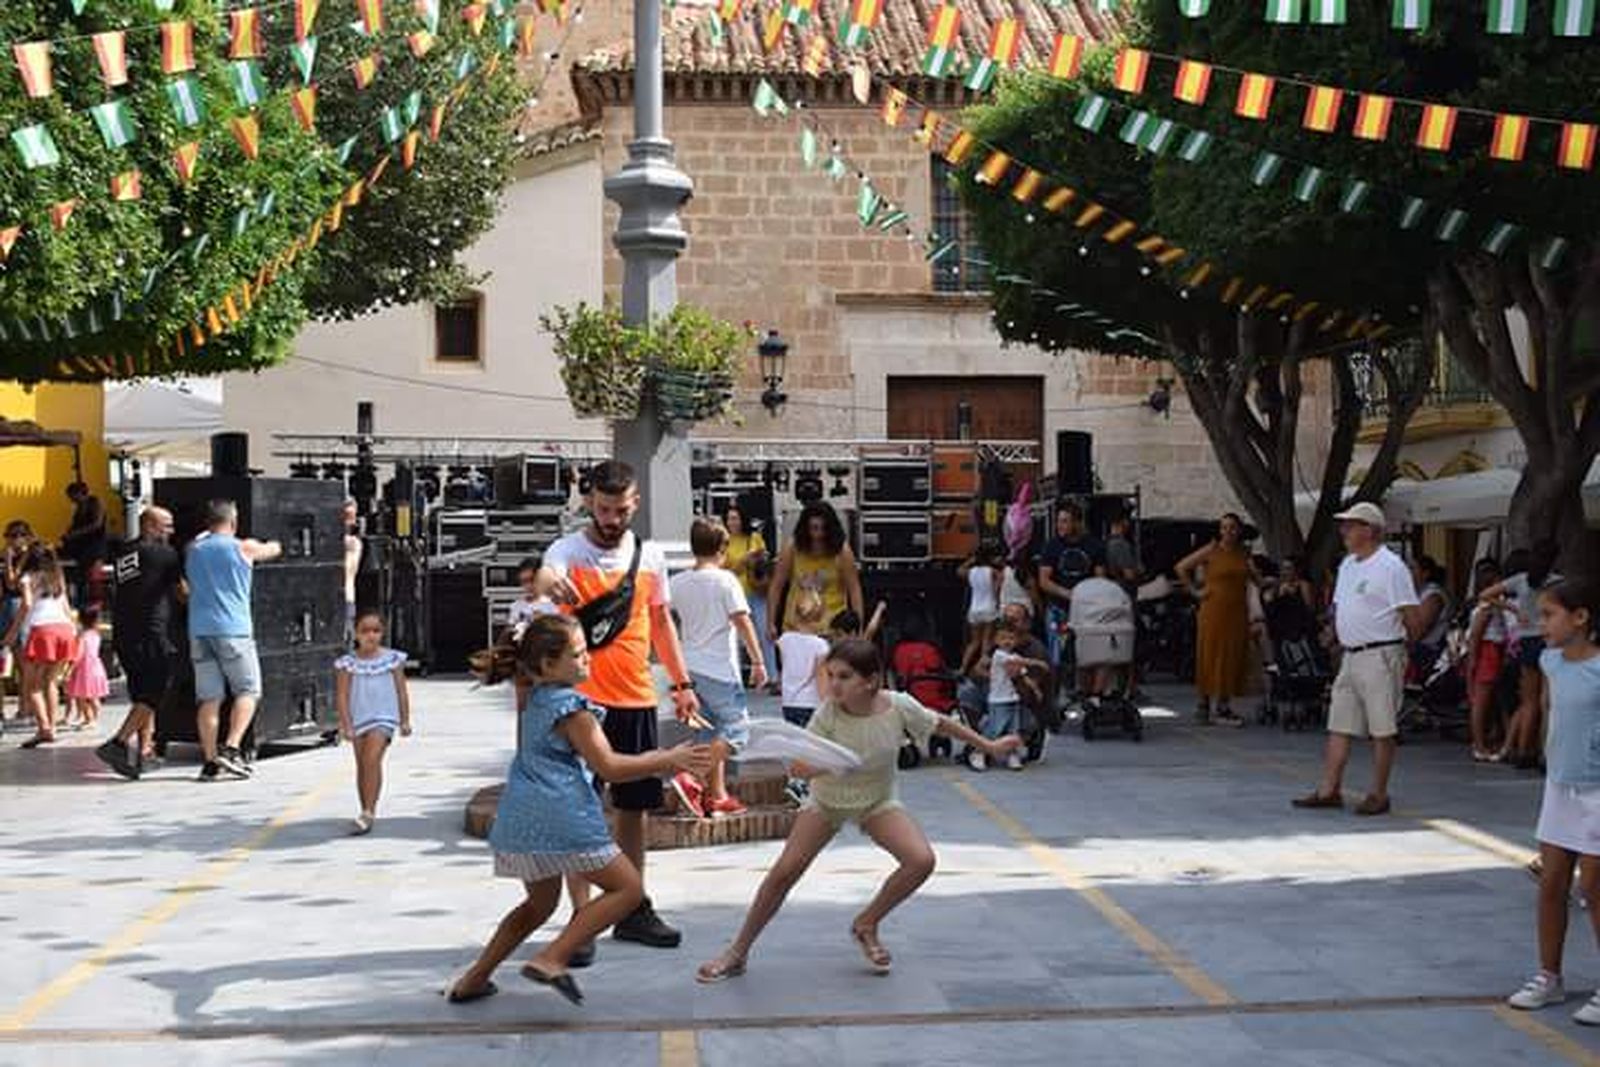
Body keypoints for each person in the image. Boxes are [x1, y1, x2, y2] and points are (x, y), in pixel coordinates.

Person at [696, 638, 1022, 984]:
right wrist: (831, 765)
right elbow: (798, 768)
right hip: (827, 803)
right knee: (783, 873)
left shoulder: (898, 706)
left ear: (870, 681)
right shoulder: (828, 714)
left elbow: (941, 723)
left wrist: (988, 745)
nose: (833, 684)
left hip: (877, 802)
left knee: (921, 861)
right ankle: (737, 952)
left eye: (844, 676)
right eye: (831, 674)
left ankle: (866, 923)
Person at [448, 615, 713, 1006]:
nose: (588, 660)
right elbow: (610, 767)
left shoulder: (532, 694)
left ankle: (474, 978)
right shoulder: (574, 710)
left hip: (522, 815)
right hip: (564, 815)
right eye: (578, 655)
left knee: (537, 906)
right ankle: (553, 957)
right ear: (547, 665)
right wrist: (667, 758)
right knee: (628, 889)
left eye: (586, 651)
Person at [536, 460, 700, 949]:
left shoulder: (649, 556)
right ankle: (582, 918)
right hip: (578, 700)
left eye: (620, 510)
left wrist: (682, 681)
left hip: (635, 696)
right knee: (580, 807)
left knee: (635, 809)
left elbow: (662, 622)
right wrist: (549, 584)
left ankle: (633, 907)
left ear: (635, 505)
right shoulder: (567, 550)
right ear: (590, 502)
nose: (611, 519)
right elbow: (546, 576)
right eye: (603, 509)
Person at [1504, 579, 1600, 1026]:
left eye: (1549, 615)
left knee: (1594, 888)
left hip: (1598, 790)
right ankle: (1550, 975)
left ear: (1580, 618)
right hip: (1560, 788)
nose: (1540, 623)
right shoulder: (1550, 661)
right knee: (1552, 885)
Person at [1293, 503, 1421, 817]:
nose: (1344, 531)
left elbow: (1412, 617)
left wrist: (1402, 650)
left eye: (1350, 525)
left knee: (1382, 727)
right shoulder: (1349, 564)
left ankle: (1378, 792)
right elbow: (1341, 606)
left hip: (1380, 653)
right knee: (1340, 723)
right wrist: (1335, 636)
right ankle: (1330, 789)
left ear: (1369, 529)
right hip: (1352, 655)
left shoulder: (1391, 567)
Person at [667, 517, 769, 819]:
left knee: (707, 735)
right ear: (723, 548)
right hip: (720, 670)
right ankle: (691, 778)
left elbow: (668, 621)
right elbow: (742, 619)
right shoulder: (726, 581)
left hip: (688, 670)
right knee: (738, 732)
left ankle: (716, 796)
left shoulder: (678, 582)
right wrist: (759, 660)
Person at [187, 499, 283, 781]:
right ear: (233, 521)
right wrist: (274, 541)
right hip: (233, 629)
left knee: (209, 699)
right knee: (248, 690)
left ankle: (209, 761)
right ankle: (231, 748)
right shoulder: (244, 547)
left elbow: (197, 543)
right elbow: (274, 550)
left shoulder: (194, 549)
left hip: (199, 630)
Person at [96, 507, 184, 780]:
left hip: (125, 632)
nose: (171, 531)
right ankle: (119, 743)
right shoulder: (164, 554)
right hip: (151, 630)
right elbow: (182, 591)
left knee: (141, 693)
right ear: (150, 526)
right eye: (166, 526)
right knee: (157, 688)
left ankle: (144, 751)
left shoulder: (125, 550)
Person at [1482, 542, 1562, 770]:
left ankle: (1524, 750)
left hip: (1526, 641)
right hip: (1549, 640)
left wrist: (1513, 610)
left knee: (1528, 701)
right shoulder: (1557, 582)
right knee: (1547, 700)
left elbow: (1485, 594)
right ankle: (1545, 753)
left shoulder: (1521, 580)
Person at [335, 610, 412, 834]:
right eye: (365, 631)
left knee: (371, 759)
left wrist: (404, 719)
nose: (371, 636)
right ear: (356, 634)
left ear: (382, 633)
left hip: (383, 717)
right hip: (358, 718)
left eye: (376, 631)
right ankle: (365, 808)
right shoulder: (347, 663)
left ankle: (369, 811)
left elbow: (401, 690)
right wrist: (346, 724)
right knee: (363, 765)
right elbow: (342, 695)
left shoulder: (392, 659)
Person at [1176, 513, 1255, 727]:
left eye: (1232, 528)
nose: (1228, 532)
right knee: (1210, 653)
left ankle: (1223, 705)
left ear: (1239, 530)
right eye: (1224, 527)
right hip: (1213, 610)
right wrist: (1195, 591)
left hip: (1237, 611)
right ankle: (1203, 704)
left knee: (1231, 655)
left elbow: (1254, 577)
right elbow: (1181, 567)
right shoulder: (1211, 550)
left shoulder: (1244, 553)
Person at [5, 550, 75, 748]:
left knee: (31, 686)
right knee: (51, 683)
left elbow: (26, 604)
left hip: (41, 631)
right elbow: (67, 610)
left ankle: (44, 728)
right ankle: (51, 727)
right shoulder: (58, 579)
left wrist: (12, 632)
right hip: (64, 630)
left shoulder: (28, 577)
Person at [768, 502, 863, 644]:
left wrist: (858, 628)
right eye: (814, 528)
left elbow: (854, 590)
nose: (818, 534)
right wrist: (770, 622)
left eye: (823, 529)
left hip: (832, 630)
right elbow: (776, 586)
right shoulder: (792, 547)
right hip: (796, 628)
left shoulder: (842, 551)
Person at [1036, 501, 1105, 692]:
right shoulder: (1052, 546)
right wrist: (1067, 593)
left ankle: (1086, 693)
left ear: (1077, 523)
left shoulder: (1094, 546)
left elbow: (1101, 578)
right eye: (1059, 521)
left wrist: (1089, 596)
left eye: (1065, 521)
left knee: (1086, 656)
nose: (1060, 525)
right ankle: (1055, 697)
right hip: (1059, 610)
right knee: (1056, 657)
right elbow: (1043, 580)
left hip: (1086, 611)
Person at [970, 619, 1049, 773]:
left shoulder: (1013, 656)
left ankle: (1012, 754)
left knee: (1013, 730)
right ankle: (978, 751)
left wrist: (1035, 689)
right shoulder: (999, 655)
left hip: (1012, 699)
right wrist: (1038, 663)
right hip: (998, 700)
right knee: (994, 729)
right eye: (1003, 638)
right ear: (996, 640)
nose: (1007, 641)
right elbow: (1019, 662)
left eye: (1011, 638)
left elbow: (1022, 674)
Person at [1465, 558, 1515, 763]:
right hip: (1489, 649)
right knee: (1481, 700)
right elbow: (1477, 635)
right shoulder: (1486, 607)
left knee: (1490, 699)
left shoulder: (1490, 604)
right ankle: (1479, 745)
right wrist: (1473, 660)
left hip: (1493, 649)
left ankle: (1486, 739)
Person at [723, 503, 777, 691]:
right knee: (735, 640)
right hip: (735, 595)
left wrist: (756, 559)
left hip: (756, 592)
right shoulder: (724, 540)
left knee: (765, 634)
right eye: (729, 518)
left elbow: (762, 561)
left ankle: (772, 676)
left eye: (735, 518)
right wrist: (744, 561)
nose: (732, 522)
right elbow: (724, 570)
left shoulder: (754, 537)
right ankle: (736, 678)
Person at [777, 591, 830, 729]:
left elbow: (785, 667)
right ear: (820, 617)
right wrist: (827, 703)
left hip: (788, 701)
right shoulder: (821, 645)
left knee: (795, 741)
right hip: (811, 702)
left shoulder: (784, 640)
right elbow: (821, 676)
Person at [1, 520, 35, 724]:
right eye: (9, 536)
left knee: (23, 663)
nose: (12, 540)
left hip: (18, 606)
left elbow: (11, 583)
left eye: (16, 536)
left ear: (26, 536)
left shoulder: (28, 557)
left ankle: (25, 708)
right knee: (14, 661)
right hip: (8, 606)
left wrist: (8, 562)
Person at [59, 482, 107, 609]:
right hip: (82, 548)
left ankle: (96, 603)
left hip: (95, 546)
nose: (71, 500)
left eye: (72, 496)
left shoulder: (95, 502)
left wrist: (74, 534)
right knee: (81, 576)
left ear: (80, 493)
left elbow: (97, 524)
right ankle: (81, 601)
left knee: (94, 576)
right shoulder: (80, 506)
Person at [958, 546, 1003, 676]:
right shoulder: (993, 572)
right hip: (989, 607)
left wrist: (970, 561)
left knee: (974, 641)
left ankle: (962, 667)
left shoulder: (971, 572)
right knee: (987, 640)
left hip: (974, 609)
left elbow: (959, 570)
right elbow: (998, 588)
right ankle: (983, 666)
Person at [1409, 554, 1453, 676]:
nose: (1408, 573)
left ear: (1425, 573)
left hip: (1428, 653)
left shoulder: (1433, 595)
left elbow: (1419, 630)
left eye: (1413, 568)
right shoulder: (1420, 593)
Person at [66, 605, 108, 730]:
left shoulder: (81, 636)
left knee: (82, 697)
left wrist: (69, 670)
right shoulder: (96, 635)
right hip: (95, 667)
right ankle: (93, 718)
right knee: (93, 697)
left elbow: (78, 654)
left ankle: (89, 719)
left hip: (84, 670)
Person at [508, 556, 556, 632]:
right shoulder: (516, 606)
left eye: (532, 579)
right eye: (524, 581)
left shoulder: (553, 605)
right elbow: (511, 634)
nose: (528, 586)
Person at [342, 498, 362, 645]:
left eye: (351, 517)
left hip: (346, 599)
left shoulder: (353, 543)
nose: (349, 522)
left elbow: (347, 568)